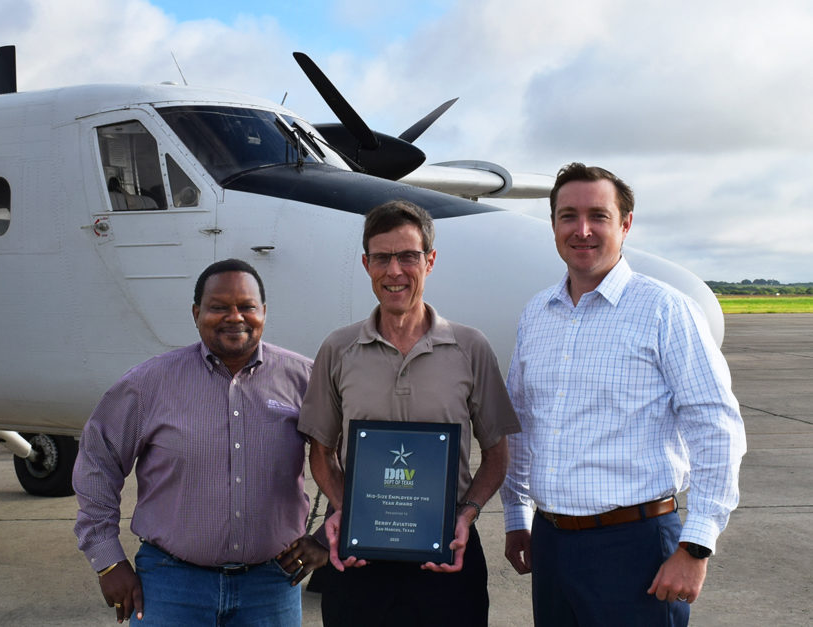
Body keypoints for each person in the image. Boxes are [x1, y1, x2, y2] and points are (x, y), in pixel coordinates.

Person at [501, 163, 746, 626]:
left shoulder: (665, 310)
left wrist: (696, 546)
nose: (583, 230)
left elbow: (716, 427)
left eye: (599, 215)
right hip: (551, 544)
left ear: (626, 224)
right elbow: (522, 423)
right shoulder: (537, 314)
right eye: (568, 215)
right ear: (553, 224)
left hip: (635, 547)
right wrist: (517, 513)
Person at [298, 199, 520, 626]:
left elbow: (496, 455)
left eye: (407, 256)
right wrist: (347, 509)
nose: (394, 271)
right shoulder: (338, 349)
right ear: (366, 264)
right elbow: (321, 453)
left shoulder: (470, 347)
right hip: (357, 555)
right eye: (382, 258)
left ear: (430, 261)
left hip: (447, 552)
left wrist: (466, 514)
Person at [73, 258, 327, 625]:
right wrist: (107, 558)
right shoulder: (149, 384)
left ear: (264, 312)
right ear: (196, 313)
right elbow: (98, 461)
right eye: (219, 307)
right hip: (170, 583)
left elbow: (356, 458)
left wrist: (326, 537)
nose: (234, 317)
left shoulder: (304, 380)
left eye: (246, 307)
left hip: (270, 587)